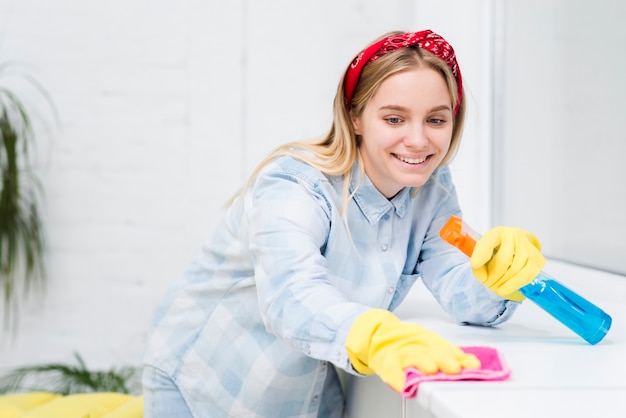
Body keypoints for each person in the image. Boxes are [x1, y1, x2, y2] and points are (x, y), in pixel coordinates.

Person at [142, 29, 546, 418]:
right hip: (203, 378)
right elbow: (291, 294)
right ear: (355, 117)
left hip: (303, 387)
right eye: (394, 119)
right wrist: (374, 335)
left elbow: (457, 285)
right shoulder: (295, 185)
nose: (419, 140)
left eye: (436, 120)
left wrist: (495, 278)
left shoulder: (432, 191)